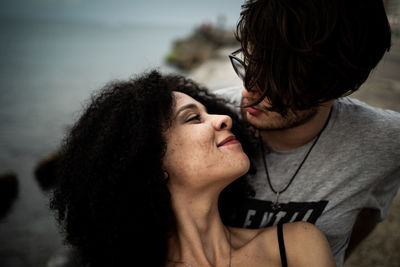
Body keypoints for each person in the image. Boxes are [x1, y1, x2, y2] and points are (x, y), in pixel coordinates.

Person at [50, 71, 335, 267]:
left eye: (207, 111)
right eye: (192, 119)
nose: (224, 118)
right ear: (152, 163)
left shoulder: (297, 245)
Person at [214, 0, 400, 266]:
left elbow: (370, 212)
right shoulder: (203, 119)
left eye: (277, 82)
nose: (247, 90)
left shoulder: (386, 141)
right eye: (249, 64)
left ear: (337, 85)